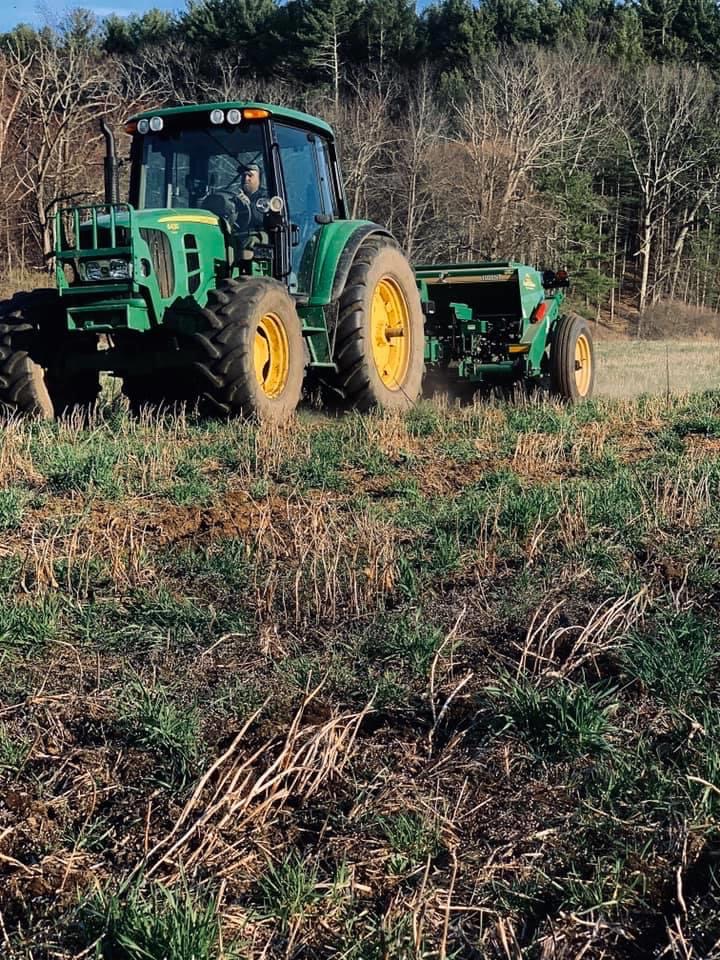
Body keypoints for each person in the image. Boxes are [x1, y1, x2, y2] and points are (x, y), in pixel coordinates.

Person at [236, 163, 268, 230]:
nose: (246, 178)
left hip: (257, 234)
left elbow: (262, 220)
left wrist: (249, 206)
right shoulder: (236, 196)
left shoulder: (266, 198)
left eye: (250, 175)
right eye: (244, 175)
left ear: (259, 180)